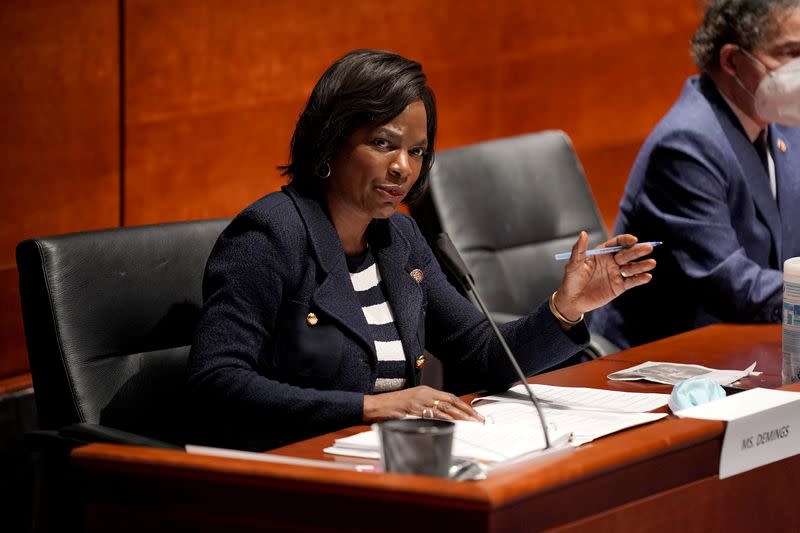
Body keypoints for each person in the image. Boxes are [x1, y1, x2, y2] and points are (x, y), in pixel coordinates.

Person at [186, 49, 655, 451]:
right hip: (296, 468)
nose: (402, 169)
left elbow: (479, 353)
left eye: (416, 152)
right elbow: (216, 381)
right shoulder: (270, 236)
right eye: (383, 144)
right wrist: (368, 407)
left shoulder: (397, 240)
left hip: (390, 461)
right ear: (330, 143)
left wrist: (566, 308)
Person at [593, 0, 800, 350]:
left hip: (750, 348)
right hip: (663, 364)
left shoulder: (782, 122)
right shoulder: (687, 144)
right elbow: (731, 284)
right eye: (789, 53)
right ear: (732, 60)